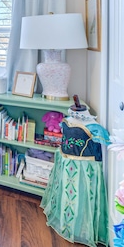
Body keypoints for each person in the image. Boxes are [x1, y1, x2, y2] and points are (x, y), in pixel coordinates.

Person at [40, 96, 110, 247]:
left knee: (81, 196)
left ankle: (80, 228)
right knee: (69, 194)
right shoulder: (66, 121)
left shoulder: (93, 128)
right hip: (68, 164)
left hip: (83, 168)